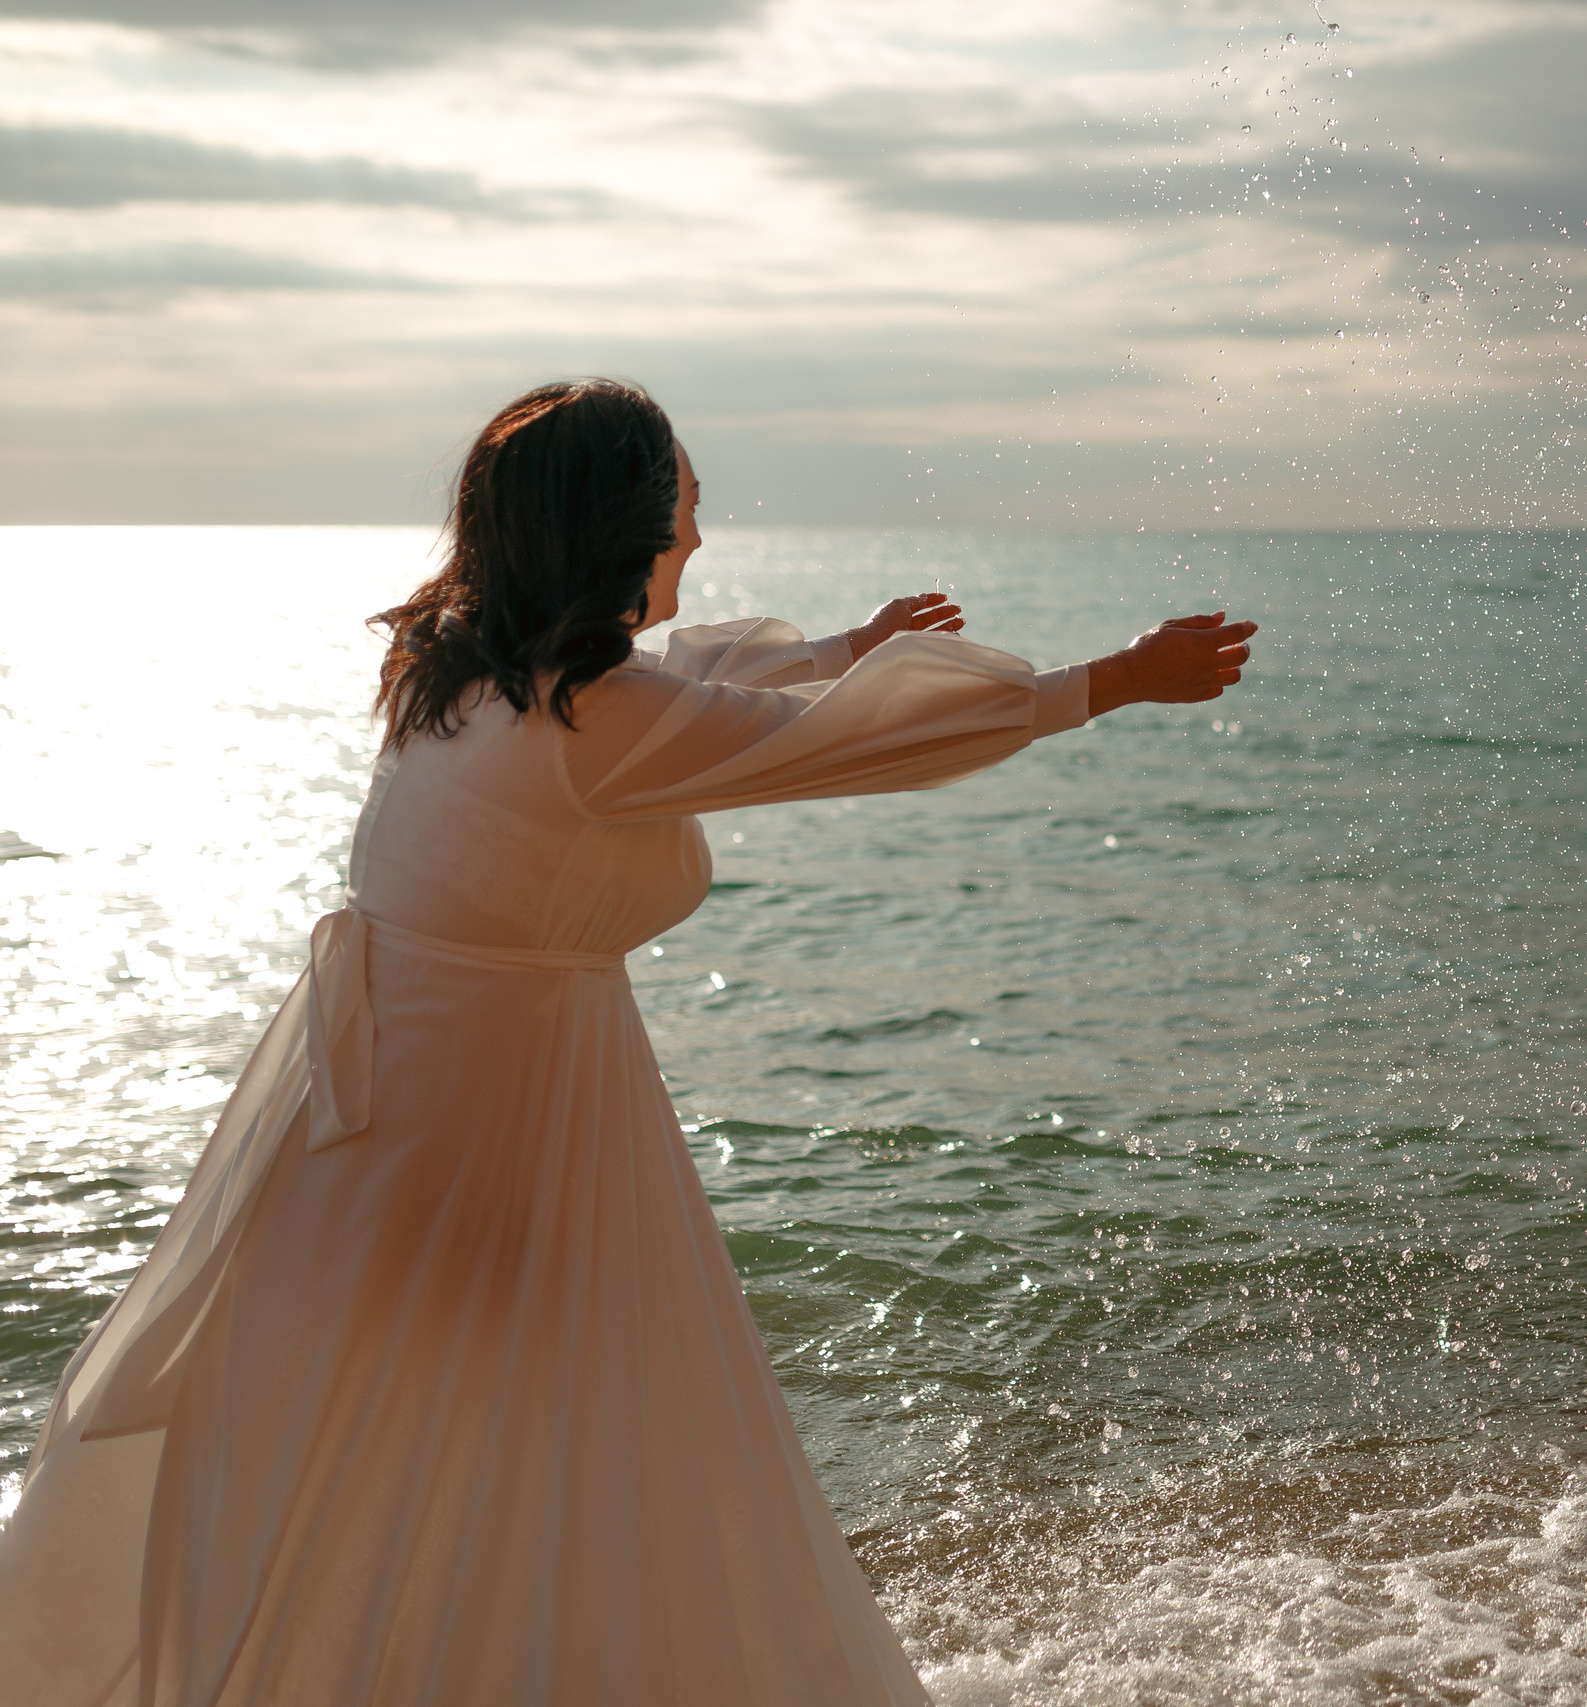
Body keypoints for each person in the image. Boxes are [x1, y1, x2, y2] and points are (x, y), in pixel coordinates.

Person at [0, 378, 1255, 1705]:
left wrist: (841, 641)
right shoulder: (593, 722)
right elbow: (824, 741)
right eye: (686, 514)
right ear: (618, 530)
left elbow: (690, 677)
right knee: (533, 1455)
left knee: (407, 1454)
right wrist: (1109, 681)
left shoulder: (465, 671)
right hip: (489, 1120)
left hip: (392, 1106)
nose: (698, 542)